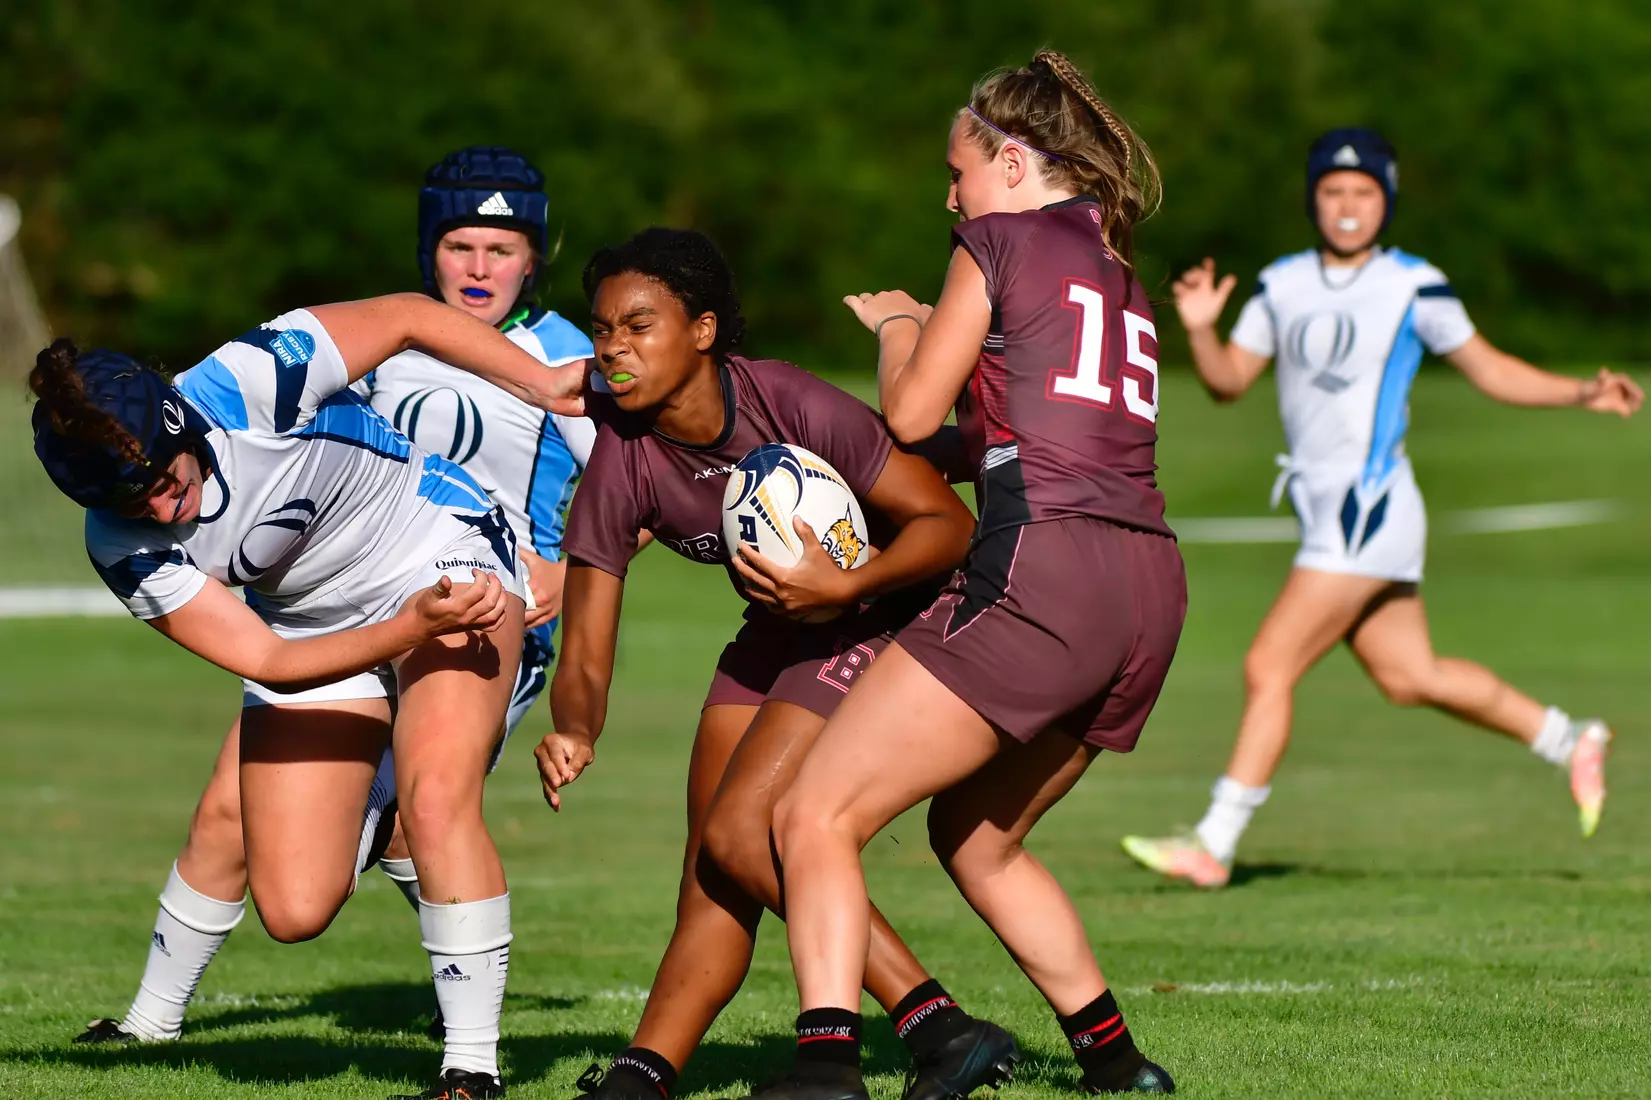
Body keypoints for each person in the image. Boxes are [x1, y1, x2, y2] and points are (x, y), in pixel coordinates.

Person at [71, 145, 599, 1067]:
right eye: (461, 245)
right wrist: (400, 630)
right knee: (290, 900)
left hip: (451, 558)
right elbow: (267, 661)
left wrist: (570, 539)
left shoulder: (247, 380)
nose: (160, 507)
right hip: (320, 624)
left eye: (161, 479)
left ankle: (470, 1064)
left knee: (436, 794)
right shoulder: (122, 541)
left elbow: (403, 321)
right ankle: (149, 1023)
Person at [758, 51, 1185, 1100]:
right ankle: (1116, 1062)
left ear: (1011, 162)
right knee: (978, 834)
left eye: (958, 172)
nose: (949, 197)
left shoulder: (996, 240)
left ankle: (826, 1068)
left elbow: (911, 411)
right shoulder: (1118, 272)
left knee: (811, 813)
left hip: (1046, 571)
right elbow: (1012, 433)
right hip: (1148, 590)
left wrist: (900, 327)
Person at [534, 228, 1016, 1100]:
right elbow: (587, 647)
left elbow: (948, 527)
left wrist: (848, 584)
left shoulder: (785, 400)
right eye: (601, 330)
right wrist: (575, 726)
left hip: (884, 606)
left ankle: (939, 1028)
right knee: (713, 866)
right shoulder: (622, 459)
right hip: (782, 625)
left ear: (703, 330)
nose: (612, 349)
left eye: (638, 326)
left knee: (739, 832)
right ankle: (642, 1076)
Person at [1120, 128, 1643, 890]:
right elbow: (1228, 382)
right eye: (1331, 191)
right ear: (1312, 200)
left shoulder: (1414, 285)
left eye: (1362, 192)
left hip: (1367, 508)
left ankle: (1213, 841)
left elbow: (1488, 369)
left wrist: (1579, 391)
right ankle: (1569, 739)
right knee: (1409, 676)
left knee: (1268, 663)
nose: (1345, 205)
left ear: (1384, 201)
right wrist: (1200, 329)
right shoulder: (1280, 284)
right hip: (1325, 513)